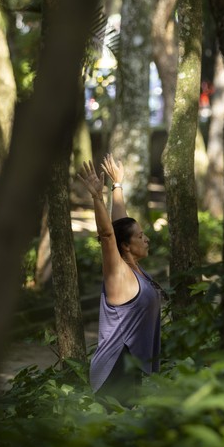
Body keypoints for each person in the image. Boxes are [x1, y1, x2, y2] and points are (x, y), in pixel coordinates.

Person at [76, 155, 162, 405]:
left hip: (128, 366)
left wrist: (118, 185)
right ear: (125, 246)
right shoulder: (118, 274)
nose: (146, 240)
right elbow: (107, 233)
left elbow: (119, 226)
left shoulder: (132, 267)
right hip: (114, 370)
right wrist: (96, 197)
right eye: (141, 237)